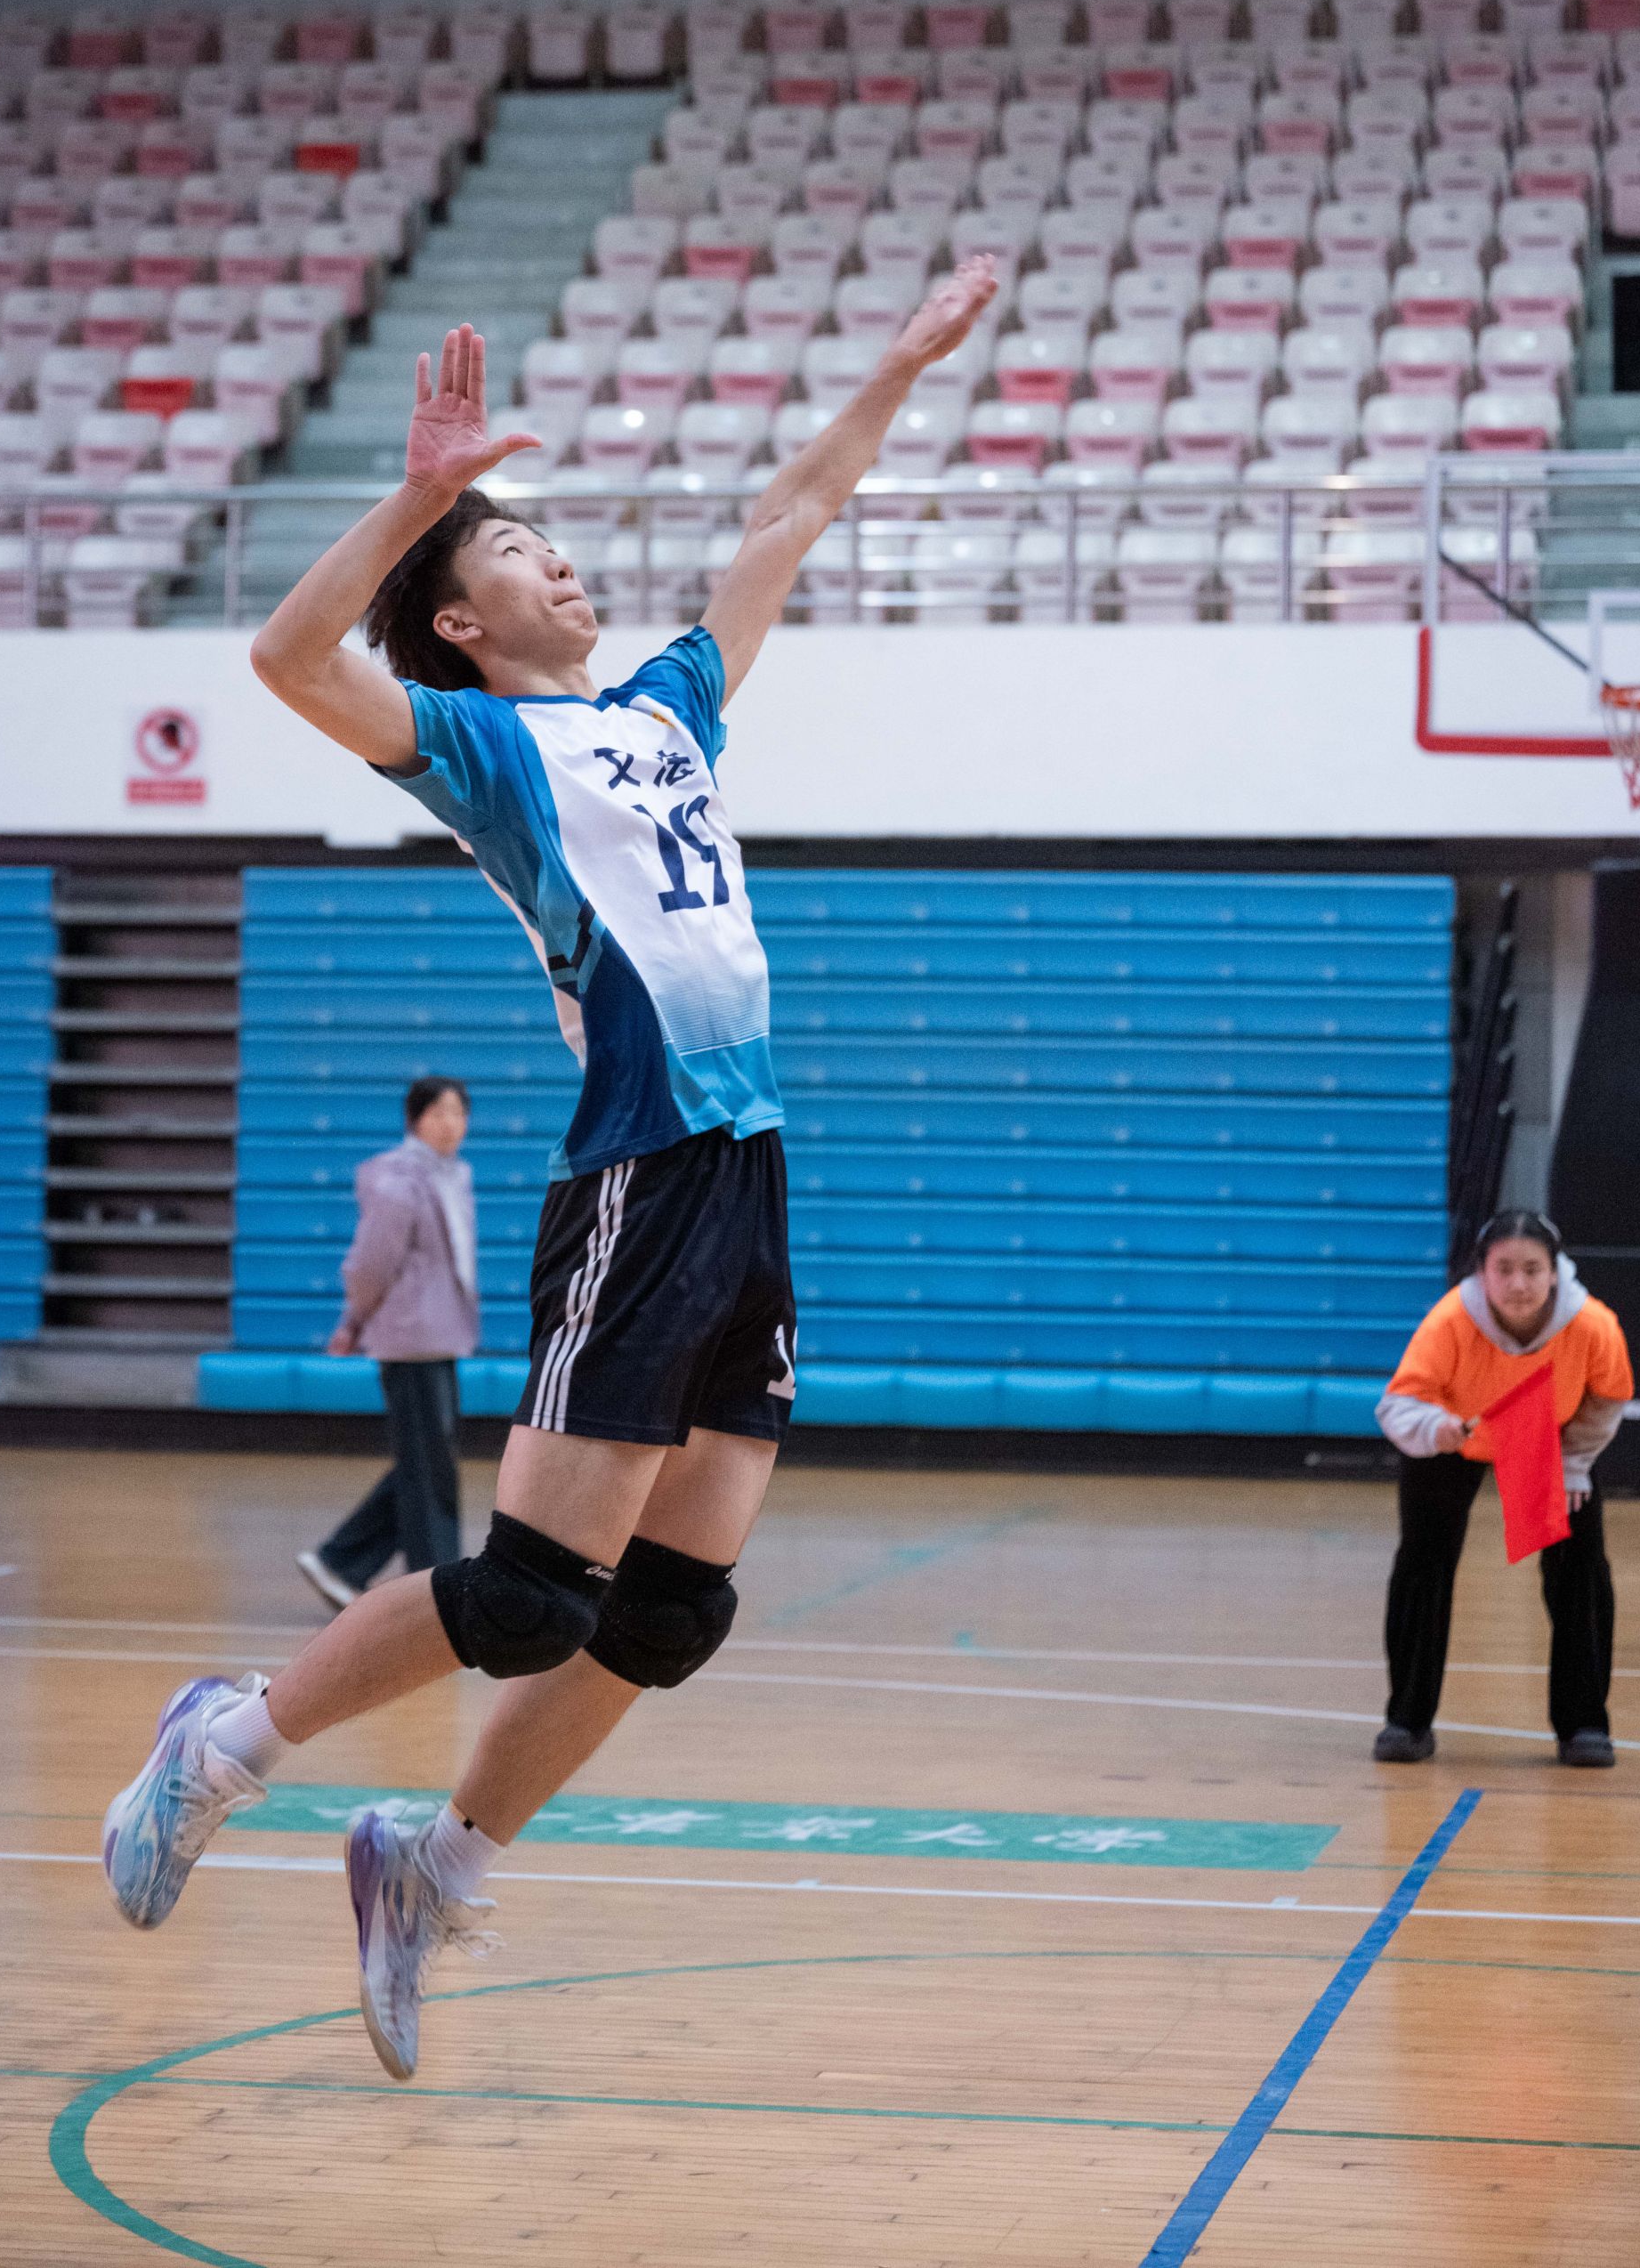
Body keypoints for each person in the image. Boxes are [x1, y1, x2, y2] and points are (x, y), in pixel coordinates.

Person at [101, 257, 998, 2081]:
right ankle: (222, 1745)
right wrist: (424, 493)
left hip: (747, 1178)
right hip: (640, 1176)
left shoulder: (664, 708)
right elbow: (284, 662)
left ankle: (428, 1866)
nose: (560, 559)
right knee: (524, 1593)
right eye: (518, 548)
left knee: (668, 1612)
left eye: (552, 538)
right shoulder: (483, 746)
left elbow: (789, 514)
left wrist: (900, 361)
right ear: (457, 616)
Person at [1373, 1208, 1634, 1770]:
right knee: (1423, 1565)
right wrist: (1435, 1429)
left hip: (1547, 1440)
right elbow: (1396, 1405)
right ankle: (1407, 1722)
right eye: (1504, 1269)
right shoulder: (1449, 1322)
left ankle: (1584, 1725)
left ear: (1555, 1272)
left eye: (1532, 1269)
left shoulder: (1593, 1325)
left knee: (1580, 1574)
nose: (1518, 1284)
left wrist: (1573, 1464)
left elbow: (1607, 1399)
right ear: (1482, 1272)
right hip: (1454, 1434)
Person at [295, 1074, 480, 1611]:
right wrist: (353, 1323)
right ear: (414, 1119)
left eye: (459, 1113)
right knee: (430, 1466)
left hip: (441, 1336)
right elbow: (371, 1265)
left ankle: (341, 1562)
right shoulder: (398, 1179)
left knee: (427, 1463)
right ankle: (433, 1587)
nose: (450, 1124)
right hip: (409, 1336)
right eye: (438, 1113)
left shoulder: (454, 1174)